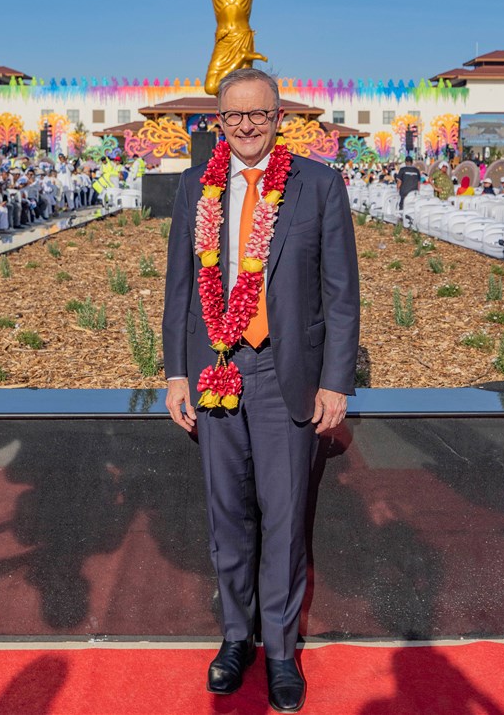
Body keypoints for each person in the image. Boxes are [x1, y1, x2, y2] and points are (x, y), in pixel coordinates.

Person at [163, 68, 360, 713]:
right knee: (227, 517)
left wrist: (336, 381)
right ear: (219, 122)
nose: (246, 125)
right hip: (215, 371)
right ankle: (235, 637)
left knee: (283, 519)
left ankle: (280, 652)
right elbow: (179, 292)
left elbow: (340, 293)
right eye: (234, 115)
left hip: (286, 376)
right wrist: (174, 372)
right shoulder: (197, 187)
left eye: (259, 114)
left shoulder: (320, 186)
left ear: (280, 119)